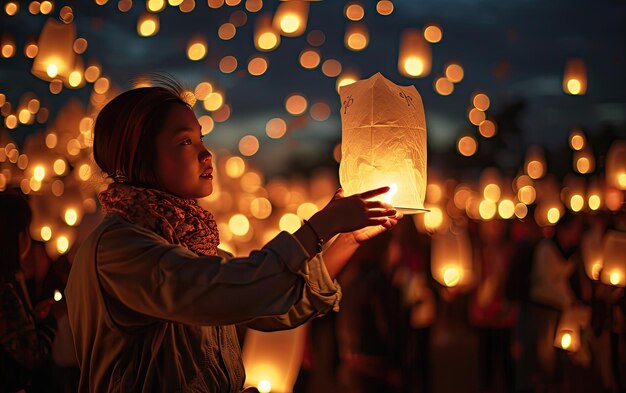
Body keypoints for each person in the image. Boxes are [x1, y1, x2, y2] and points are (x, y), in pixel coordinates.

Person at [64, 77, 401, 393]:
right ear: (139, 157)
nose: (205, 154)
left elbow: (272, 304)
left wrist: (347, 240)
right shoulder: (118, 248)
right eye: (185, 141)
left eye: (201, 139)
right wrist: (319, 227)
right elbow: (227, 292)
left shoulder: (189, 245)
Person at [0, 192, 59, 392]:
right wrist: (51, 321)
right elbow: (32, 355)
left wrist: (33, 319)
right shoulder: (5, 293)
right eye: (28, 230)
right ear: (16, 236)